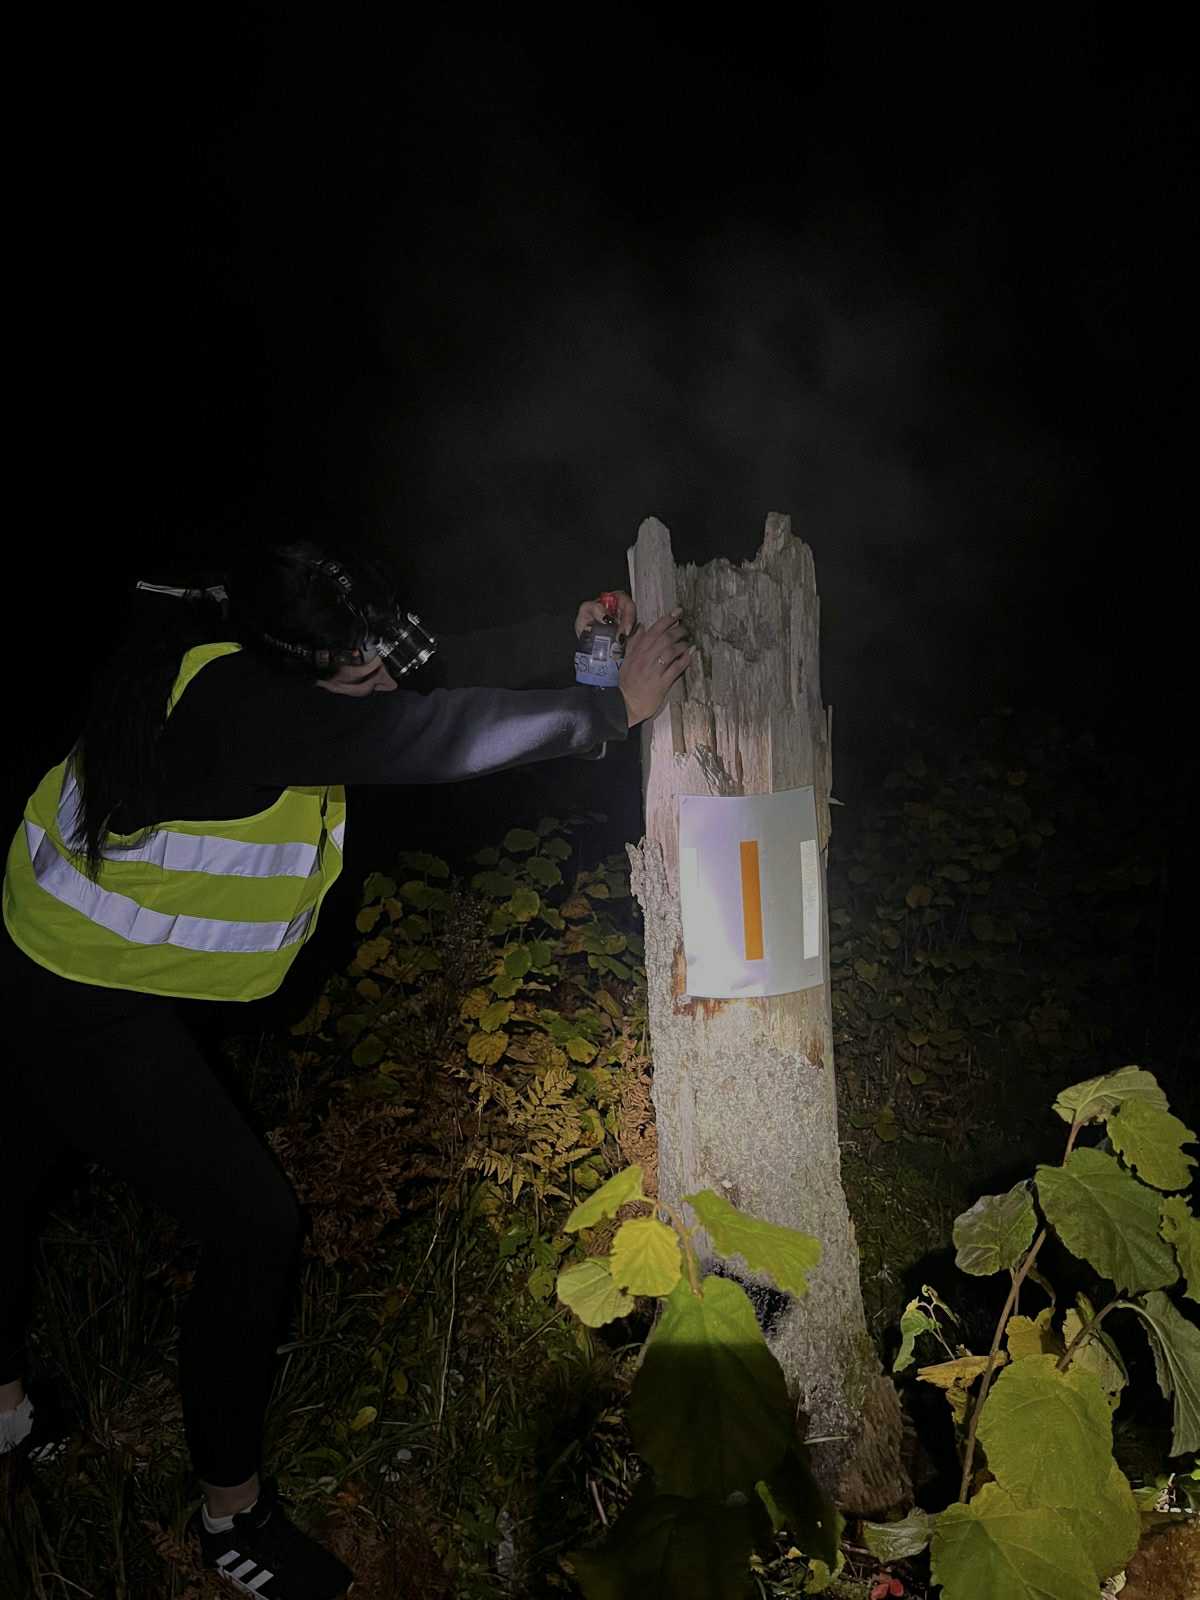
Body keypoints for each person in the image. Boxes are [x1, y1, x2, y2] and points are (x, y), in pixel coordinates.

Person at [0, 540, 692, 1598]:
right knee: (253, 1225)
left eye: (374, 656)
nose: (378, 678)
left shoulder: (266, 629)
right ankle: (232, 1521)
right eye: (355, 672)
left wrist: (562, 636)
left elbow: (419, 670)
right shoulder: (250, 712)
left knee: (11, 1177)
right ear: (293, 670)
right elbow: (435, 733)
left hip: (46, 933)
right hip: (75, 992)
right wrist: (608, 711)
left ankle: (6, 1411)